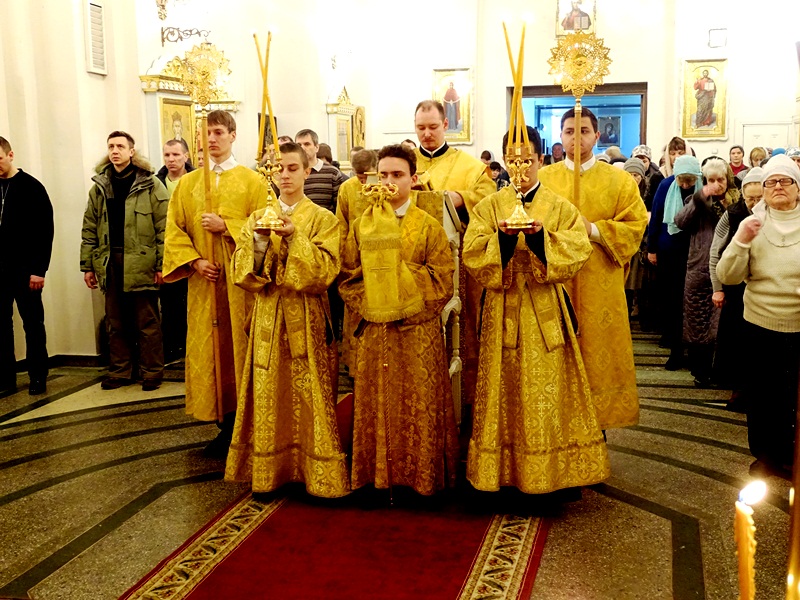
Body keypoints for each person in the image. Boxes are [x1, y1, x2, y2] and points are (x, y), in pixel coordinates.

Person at [463, 124, 610, 494]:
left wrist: (541, 239)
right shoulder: (488, 206)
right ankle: (501, 473)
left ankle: (549, 473)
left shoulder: (559, 206)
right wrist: (503, 241)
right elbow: (472, 254)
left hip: (544, 309)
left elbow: (578, 249)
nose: (521, 168)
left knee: (547, 391)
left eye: (527, 159)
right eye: (513, 160)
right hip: (502, 309)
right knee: (502, 389)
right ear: (504, 160)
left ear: (540, 159)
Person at [225, 142, 349, 498]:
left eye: (292, 168)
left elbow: (324, 272)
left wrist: (295, 238)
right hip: (267, 315)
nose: (285, 175)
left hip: (307, 318)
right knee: (268, 394)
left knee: (312, 393)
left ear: (308, 171)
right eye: (278, 168)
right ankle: (269, 473)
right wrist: (260, 243)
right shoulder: (256, 218)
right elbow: (242, 274)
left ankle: (318, 474)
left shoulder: (323, 219)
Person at [339, 144, 458, 496]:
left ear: (413, 179)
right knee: (377, 402)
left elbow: (442, 280)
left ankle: (421, 480)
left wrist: (397, 278)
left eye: (398, 175)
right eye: (383, 175)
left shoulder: (429, 226)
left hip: (416, 332)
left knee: (418, 404)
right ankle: (376, 478)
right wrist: (376, 301)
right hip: (375, 330)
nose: (389, 182)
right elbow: (348, 277)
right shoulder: (362, 225)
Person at [163, 110, 267, 458]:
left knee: (240, 348)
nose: (211, 139)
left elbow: (264, 230)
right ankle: (222, 422)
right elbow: (174, 231)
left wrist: (228, 227)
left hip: (240, 287)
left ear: (233, 135)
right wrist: (196, 261)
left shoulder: (253, 182)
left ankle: (245, 422)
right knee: (210, 350)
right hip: (204, 285)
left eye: (219, 132)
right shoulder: (189, 184)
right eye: (205, 133)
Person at [538, 107, 648, 430]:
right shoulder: (543, 180)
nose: (576, 138)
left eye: (584, 131)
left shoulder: (619, 181)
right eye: (569, 131)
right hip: (555, 285)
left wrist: (594, 230)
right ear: (560, 136)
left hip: (601, 283)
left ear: (597, 135)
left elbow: (635, 226)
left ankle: (597, 431)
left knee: (598, 357)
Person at [717, 154, 800, 479]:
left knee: (794, 397)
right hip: (760, 325)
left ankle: (794, 455)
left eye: (786, 181)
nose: (778, 187)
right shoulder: (752, 223)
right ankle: (766, 457)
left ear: (797, 188)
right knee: (764, 396)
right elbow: (728, 275)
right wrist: (740, 241)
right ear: (762, 189)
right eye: (771, 182)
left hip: (798, 326)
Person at [413, 99, 496, 409]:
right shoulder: (405, 164)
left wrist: (460, 197)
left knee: (461, 334)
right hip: (414, 266)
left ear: (446, 125)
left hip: (456, 265)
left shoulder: (470, 167)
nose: (427, 134)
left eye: (433, 127)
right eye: (421, 128)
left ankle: (464, 404)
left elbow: (487, 199)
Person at [80, 131, 168, 391]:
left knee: (147, 321)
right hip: (110, 261)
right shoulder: (100, 186)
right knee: (115, 321)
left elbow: (164, 228)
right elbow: (90, 227)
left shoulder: (150, 184)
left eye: (120, 146)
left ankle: (151, 371)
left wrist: (162, 265)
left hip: (142, 261)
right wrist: (87, 265)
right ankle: (121, 370)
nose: (115, 151)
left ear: (132, 151)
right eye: (111, 146)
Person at [674, 157, 738, 387]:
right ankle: (700, 372)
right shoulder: (697, 200)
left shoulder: (736, 202)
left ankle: (721, 372)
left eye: (720, 180)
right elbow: (680, 221)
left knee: (722, 324)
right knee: (697, 322)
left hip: (728, 268)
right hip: (699, 269)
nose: (716, 184)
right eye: (711, 180)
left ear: (727, 180)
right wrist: (701, 198)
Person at [0, 137, 54, 396]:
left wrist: (38, 270)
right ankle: (5, 379)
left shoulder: (32, 187)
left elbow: (44, 232)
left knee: (33, 324)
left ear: (10, 155)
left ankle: (38, 376)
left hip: (26, 270)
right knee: (1, 327)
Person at [709, 167, 763, 410]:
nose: (755, 203)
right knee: (736, 342)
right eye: (750, 198)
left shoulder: (773, 215)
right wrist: (717, 288)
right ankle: (738, 391)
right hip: (735, 288)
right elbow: (715, 253)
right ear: (742, 195)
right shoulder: (732, 214)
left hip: (760, 288)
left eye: (759, 197)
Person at [647, 156, 702, 369]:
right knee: (672, 299)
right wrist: (652, 249)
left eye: (690, 181)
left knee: (692, 302)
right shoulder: (666, 185)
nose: (686, 185)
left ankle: (693, 350)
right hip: (669, 250)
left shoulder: (702, 187)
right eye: (682, 181)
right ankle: (675, 349)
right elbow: (656, 217)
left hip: (695, 252)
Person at [336, 148, 378, 369]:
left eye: (366, 176)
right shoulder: (347, 188)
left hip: (380, 259)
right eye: (358, 176)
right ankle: (354, 365)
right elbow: (341, 224)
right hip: (355, 260)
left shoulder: (384, 186)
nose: (362, 181)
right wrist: (344, 258)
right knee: (354, 311)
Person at [156, 139, 195, 363]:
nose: (171, 159)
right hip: (168, 249)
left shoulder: (195, 180)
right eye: (167, 155)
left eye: (176, 155)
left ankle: (191, 345)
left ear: (186, 156)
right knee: (169, 302)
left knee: (191, 301)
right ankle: (172, 346)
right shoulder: (156, 183)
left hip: (192, 249)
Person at [295, 129, 347, 214]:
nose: (302, 148)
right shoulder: (293, 172)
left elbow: (339, 207)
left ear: (316, 147)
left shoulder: (332, 173)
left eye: (307, 144)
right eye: (299, 145)